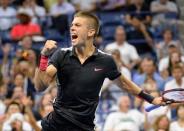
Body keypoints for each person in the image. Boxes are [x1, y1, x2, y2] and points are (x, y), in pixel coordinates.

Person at [34, 11, 164, 131]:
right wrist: (44, 56)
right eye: (72, 25)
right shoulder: (61, 55)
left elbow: (124, 84)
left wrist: (152, 99)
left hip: (84, 126)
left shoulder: (105, 61)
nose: (72, 28)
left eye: (78, 25)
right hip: (56, 125)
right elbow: (40, 86)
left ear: (91, 32)